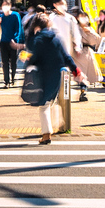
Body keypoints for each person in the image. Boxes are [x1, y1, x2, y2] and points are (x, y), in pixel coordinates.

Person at [23, 12, 65, 144]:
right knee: (49, 103)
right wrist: (76, 71)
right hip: (56, 75)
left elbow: (34, 56)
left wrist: (27, 58)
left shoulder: (37, 39)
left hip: (43, 77)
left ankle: (47, 135)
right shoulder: (56, 38)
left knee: (44, 106)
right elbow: (65, 56)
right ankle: (53, 127)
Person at [0, 1, 22, 86]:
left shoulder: (15, 15)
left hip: (13, 42)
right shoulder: (1, 17)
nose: (4, 7)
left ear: (10, 6)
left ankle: (12, 78)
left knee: (13, 62)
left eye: (6, 5)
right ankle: (6, 81)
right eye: (3, 5)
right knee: (5, 62)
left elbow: (18, 29)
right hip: (3, 42)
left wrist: (15, 39)